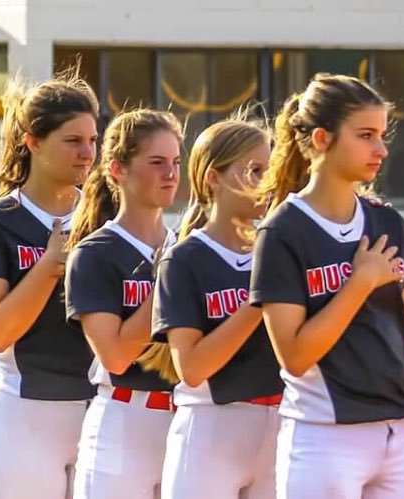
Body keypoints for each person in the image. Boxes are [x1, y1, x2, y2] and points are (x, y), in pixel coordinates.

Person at [251, 73, 404, 499]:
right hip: (325, 438)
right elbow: (294, 355)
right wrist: (359, 283)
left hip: (399, 438)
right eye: (366, 135)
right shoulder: (283, 232)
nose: (381, 149)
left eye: (381, 135)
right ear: (323, 138)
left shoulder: (386, 221)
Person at [0, 77, 101, 499]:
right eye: (72, 139)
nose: (87, 152)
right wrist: (48, 267)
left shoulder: (106, 215)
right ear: (33, 142)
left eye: (93, 139)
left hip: (103, 412)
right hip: (26, 410)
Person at [139, 115, 282, 499]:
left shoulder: (281, 250)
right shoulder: (183, 259)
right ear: (212, 178)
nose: (266, 182)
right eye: (254, 170)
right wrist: (258, 301)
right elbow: (193, 367)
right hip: (211, 428)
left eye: (270, 170)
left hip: (282, 425)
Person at [63, 109, 183, 499]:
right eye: (156, 163)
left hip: (189, 418)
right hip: (125, 418)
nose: (170, 174)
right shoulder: (94, 253)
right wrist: (168, 279)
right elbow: (114, 356)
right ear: (118, 170)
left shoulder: (189, 246)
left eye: (176, 163)